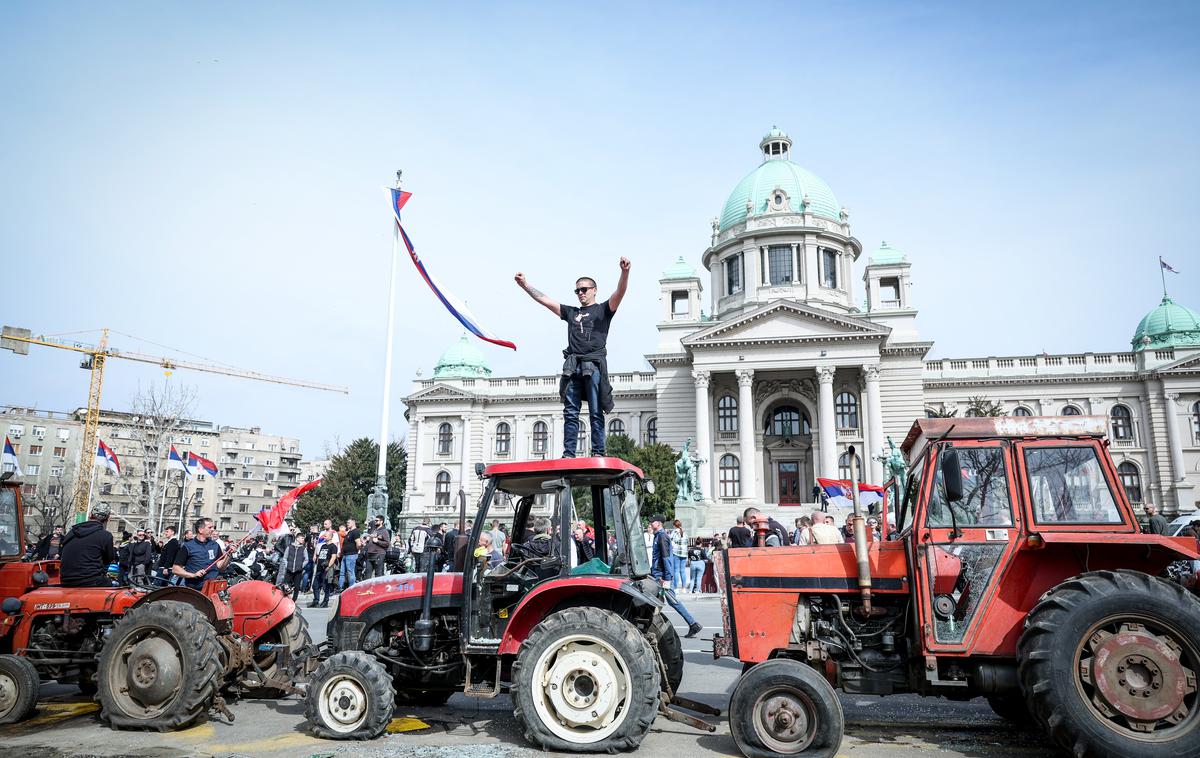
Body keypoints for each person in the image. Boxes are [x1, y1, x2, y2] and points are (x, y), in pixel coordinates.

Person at [515, 258, 630, 457]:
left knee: (595, 412)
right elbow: (546, 301)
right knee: (570, 412)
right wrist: (526, 285)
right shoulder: (571, 312)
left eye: (585, 289)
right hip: (573, 366)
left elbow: (619, 293)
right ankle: (569, 453)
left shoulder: (603, 309)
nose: (581, 293)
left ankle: (598, 452)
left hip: (593, 365)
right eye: (577, 290)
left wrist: (625, 272)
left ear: (594, 290)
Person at [649, 515, 702, 638]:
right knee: (655, 601)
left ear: (659, 523)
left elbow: (667, 558)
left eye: (652, 522)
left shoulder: (662, 537)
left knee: (673, 601)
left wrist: (667, 578)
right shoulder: (659, 536)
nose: (650, 524)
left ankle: (693, 624)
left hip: (662, 576)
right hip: (658, 574)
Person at [59, 503, 117, 587]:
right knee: (116, 584)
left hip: (65, 580)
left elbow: (62, 552)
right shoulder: (106, 535)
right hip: (91, 581)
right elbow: (109, 558)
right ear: (108, 519)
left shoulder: (72, 532)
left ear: (90, 515)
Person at [172, 517, 231, 590]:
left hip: (213, 587)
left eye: (213, 527)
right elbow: (175, 569)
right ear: (200, 530)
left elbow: (221, 567)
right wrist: (193, 575)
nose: (213, 529)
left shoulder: (215, 545)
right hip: (195, 589)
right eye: (210, 527)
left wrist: (229, 554)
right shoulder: (188, 546)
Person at [279, 527, 307, 601]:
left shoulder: (303, 548)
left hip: (298, 571)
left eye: (303, 538)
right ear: (297, 538)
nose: (303, 540)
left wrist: (301, 566)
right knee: (285, 585)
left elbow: (306, 559)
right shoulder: (290, 547)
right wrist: (287, 565)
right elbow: (285, 557)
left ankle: (293, 601)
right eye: (302, 538)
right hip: (289, 569)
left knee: (297, 587)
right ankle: (284, 600)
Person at [312, 531, 338, 607]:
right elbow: (319, 556)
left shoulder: (333, 546)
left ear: (330, 537)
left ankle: (325, 601)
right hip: (319, 568)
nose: (324, 537)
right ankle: (316, 600)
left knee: (326, 586)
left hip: (326, 569)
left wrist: (328, 567)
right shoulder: (323, 546)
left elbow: (333, 557)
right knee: (315, 585)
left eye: (326, 536)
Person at [362, 515, 390, 579]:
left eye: (377, 520)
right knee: (367, 574)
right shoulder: (374, 530)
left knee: (378, 575)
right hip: (369, 554)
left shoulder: (384, 531)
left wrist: (377, 541)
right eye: (375, 520)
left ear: (381, 521)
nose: (375, 521)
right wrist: (367, 540)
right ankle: (368, 588)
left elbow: (387, 543)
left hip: (378, 555)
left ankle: (378, 588)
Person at [340, 518, 362, 589]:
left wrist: (356, 551)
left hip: (351, 555)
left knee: (350, 572)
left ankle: (351, 588)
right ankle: (340, 587)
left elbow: (358, 544)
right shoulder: (349, 532)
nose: (347, 524)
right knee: (342, 573)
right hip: (345, 555)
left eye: (349, 522)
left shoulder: (355, 532)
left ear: (353, 522)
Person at [669, 519, 687, 590]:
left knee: (676, 570)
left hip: (676, 552)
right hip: (684, 553)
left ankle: (676, 587)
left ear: (674, 525)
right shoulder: (684, 532)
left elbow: (671, 543)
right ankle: (684, 588)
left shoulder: (674, 532)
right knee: (682, 570)